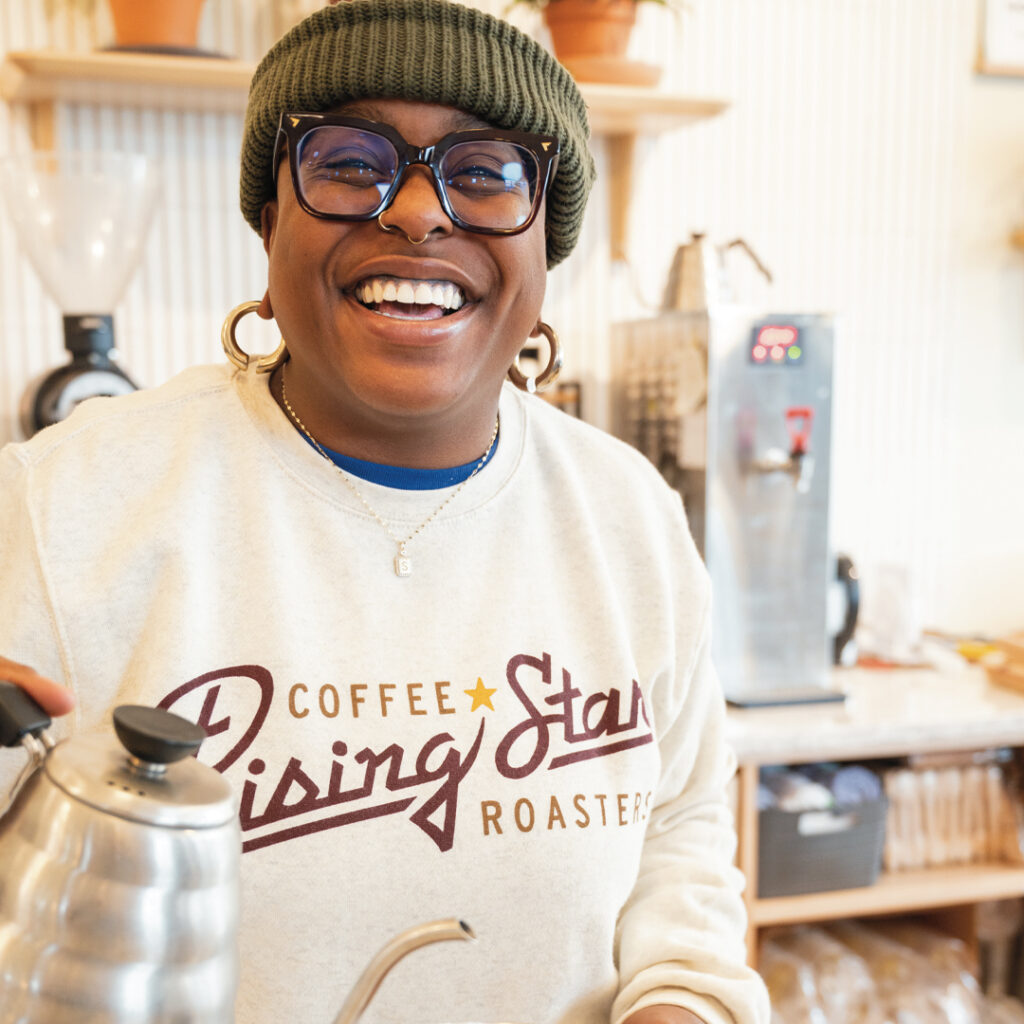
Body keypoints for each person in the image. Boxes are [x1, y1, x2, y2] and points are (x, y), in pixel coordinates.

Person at [0, 0, 770, 1021]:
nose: (415, 210)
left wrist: (686, 999)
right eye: (350, 162)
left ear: (547, 257)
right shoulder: (61, 509)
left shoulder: (627, 515)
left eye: (486, 172)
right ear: (269, 222)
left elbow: (679, 824)